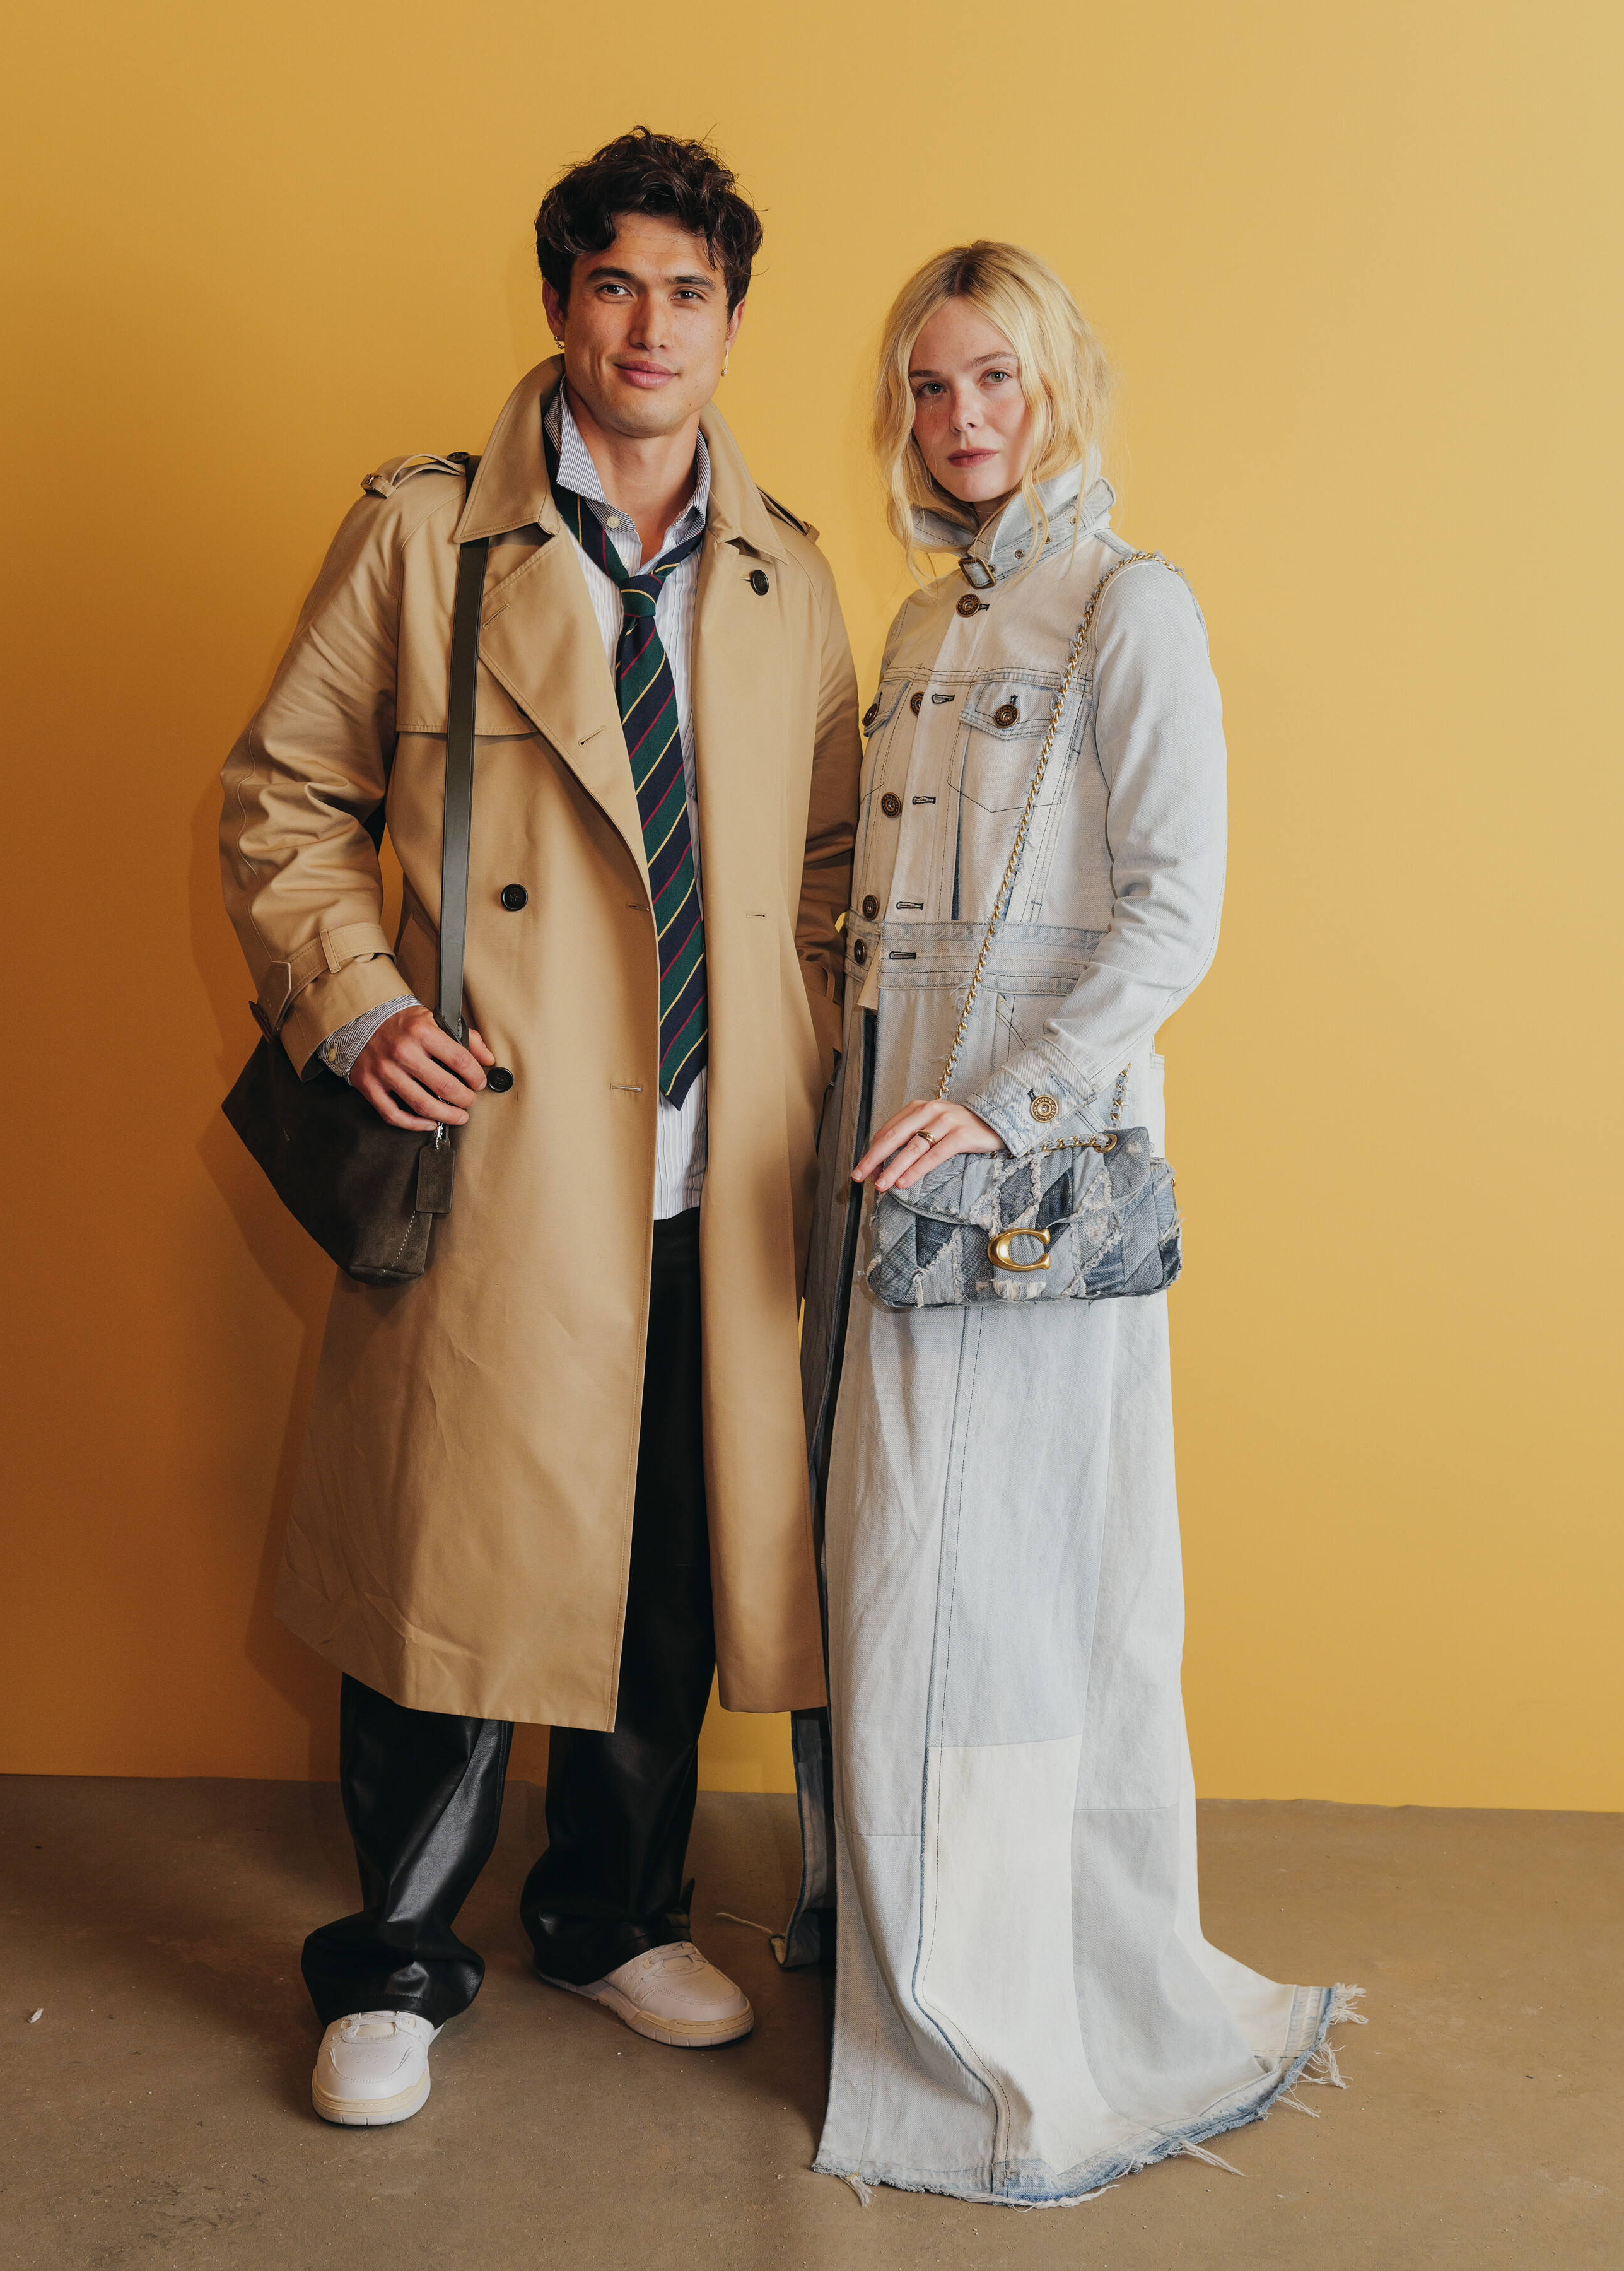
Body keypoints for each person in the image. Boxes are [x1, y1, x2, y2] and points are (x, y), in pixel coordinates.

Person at [219, 127, 859, 2127]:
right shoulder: (426, 537)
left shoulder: (787, 575)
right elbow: (283, 797)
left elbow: (826, 869)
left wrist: (795, 1051)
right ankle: (395, 1963)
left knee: (660, 1562)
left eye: (689, 291)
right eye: (614, 284)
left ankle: (609, 1913)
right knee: (448, 1561)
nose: (650, 326)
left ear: (729, 322)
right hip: (501, 1149)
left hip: (710, 1166)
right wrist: (360, 1004)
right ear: (561, 302)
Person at [790, 242, 1357, 2205]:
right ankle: (916, 1971)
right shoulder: (917, 623)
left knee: (1012, 1594)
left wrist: (1004, 1101)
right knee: (898, 1574)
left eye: (994, 381)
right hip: (880, 1161)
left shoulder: (1131, 604)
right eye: (927, 385)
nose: (958, 420)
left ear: (1057, 390)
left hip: (1022, 1184)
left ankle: (1005, 2018)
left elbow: (1174, 912)